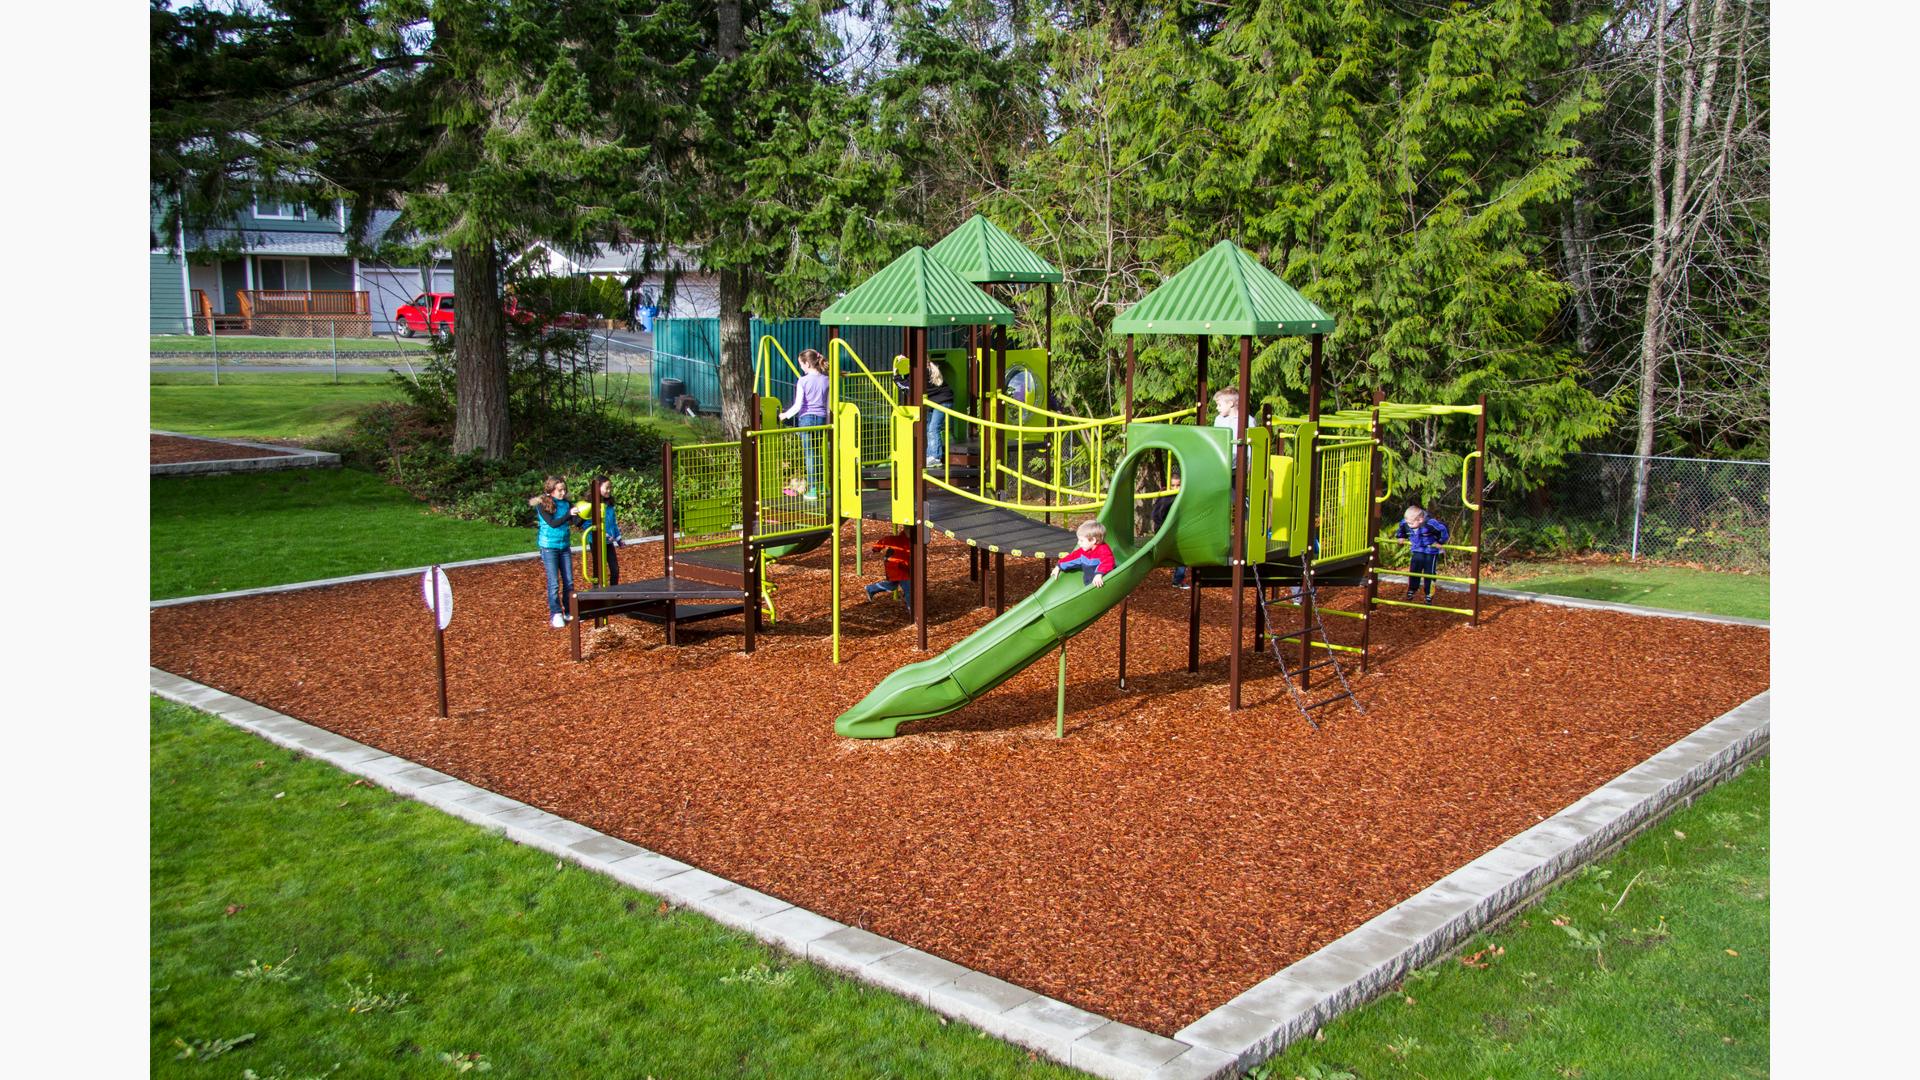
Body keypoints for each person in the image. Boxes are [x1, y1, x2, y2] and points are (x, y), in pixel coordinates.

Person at [527, 476, 580, 628]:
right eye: (559, 490)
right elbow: (553, 523)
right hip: (549, 547)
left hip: (564, 546)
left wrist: (587, 517)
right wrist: (569, 514)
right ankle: (556, 613)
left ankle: (570, 610)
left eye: (564, 489)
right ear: (551, 491)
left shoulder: (566, 504)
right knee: (554, 582)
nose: (563, 493)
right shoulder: (543, 505)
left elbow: (577, 521)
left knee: (569, 581)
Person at [779, 349, 830, 497]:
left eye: (801, 364)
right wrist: (827, 423)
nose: (801, 367)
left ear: (807, 363)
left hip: (806, 419)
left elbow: (798, 405)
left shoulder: (803, 381)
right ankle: (822, 487)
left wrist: (785, 415)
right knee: (819, 453)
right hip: (821, 420)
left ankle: (813, 489)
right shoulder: (826, 380)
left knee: (809, 454)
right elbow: (827, 406)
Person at [895, 361, 955, 467]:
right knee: (929, 428)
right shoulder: (927, 370)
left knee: (933, 428)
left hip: (942, 402)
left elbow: (907, 388)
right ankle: (930, 455)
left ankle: (936, 457)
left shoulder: (921, 374)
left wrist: (896, 376)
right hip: (938, 401)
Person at [573, 474, 623, 587]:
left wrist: (619, 539)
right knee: (599, 570)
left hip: (609, 542)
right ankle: (597, 591)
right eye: (607, 488)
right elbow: (587, 524)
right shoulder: (590, 505)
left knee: (615, 569)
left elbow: (613, 523)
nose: (609, 490)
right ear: (598, 488)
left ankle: (614, 591)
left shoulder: (609, 504)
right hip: (596, 541)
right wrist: (602, 533)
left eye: (610, 487)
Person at [1395, 504, 1451, 604]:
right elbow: (1402, 527)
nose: (1409, 525)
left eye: (1411, 523)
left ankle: (1429, 594)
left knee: (1429, 573)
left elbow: (1443, 530)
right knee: (1414, 570)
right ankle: (1412, 589)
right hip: (1417, 550)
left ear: (1420, 520)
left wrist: (1440, 542)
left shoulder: (1430, 524)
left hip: (1430, 551)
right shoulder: (1406, 523)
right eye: (1408, 522)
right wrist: (1401, 536)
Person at [1052, 519, 1117, 587]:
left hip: (1104, 583)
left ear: (1093, 540)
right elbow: (1072, 558)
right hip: (1089, 585)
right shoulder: (1083, 551)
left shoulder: (1103, 550)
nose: (1078, 543)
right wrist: (1058, 566)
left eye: (1081, 540)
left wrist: (1099, 574)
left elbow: (1108, 562)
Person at [864, 526, 915, 613]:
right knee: (908, 587)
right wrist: (874, 549)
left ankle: (871, 588)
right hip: (896, 566)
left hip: (900, 566)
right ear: (906, 531)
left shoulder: (912, 541)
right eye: (909, 532)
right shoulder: (896, 539)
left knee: (892, 585)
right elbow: (884, 540)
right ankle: (912, 609)